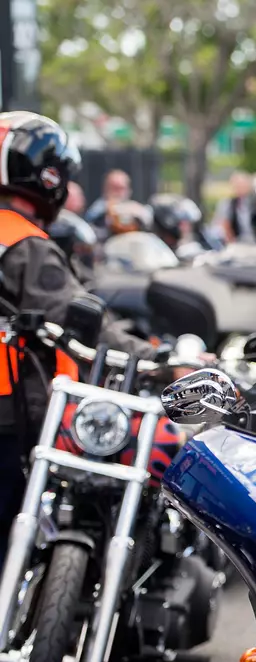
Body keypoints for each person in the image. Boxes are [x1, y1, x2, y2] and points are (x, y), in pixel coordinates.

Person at [0, 112, 167, 563]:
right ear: (49, 175)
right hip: (11, 415)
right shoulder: (25, 243)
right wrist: (153, 354)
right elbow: (80, 319)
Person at [211, 170, 254, 243]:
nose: (241, 188)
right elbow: (224, 225)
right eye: (238, 185)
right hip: (237, 242)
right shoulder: (227, 204)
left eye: (243, 185)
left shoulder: (254, 202)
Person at [84, 169, 132, 234]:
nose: (118, 192)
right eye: (114, 188)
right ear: (105, 188)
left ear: (128, 190)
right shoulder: (98, 209)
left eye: (121, 188)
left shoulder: (133, 208)